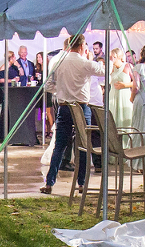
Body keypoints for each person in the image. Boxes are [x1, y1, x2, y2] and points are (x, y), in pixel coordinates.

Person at [40, 33, 105, 195]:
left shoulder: (58, 61)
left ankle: (49, 183)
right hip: (82, 107)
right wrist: (91, 58)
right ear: (82, 46)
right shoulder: (84, 63)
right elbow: (104, 71)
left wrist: (61, 90)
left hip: (64, 106)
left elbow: (47, 85)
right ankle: (82, 183)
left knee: (60, 145)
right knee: (83, 145)